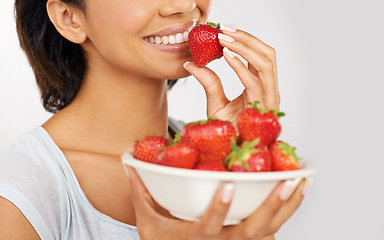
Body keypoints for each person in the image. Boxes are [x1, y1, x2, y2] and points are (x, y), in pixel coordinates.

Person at [0, 0, 312, 239]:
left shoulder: (215, 151)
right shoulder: (19, 194)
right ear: (70, 18)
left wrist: (240, 159)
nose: (183, 5)